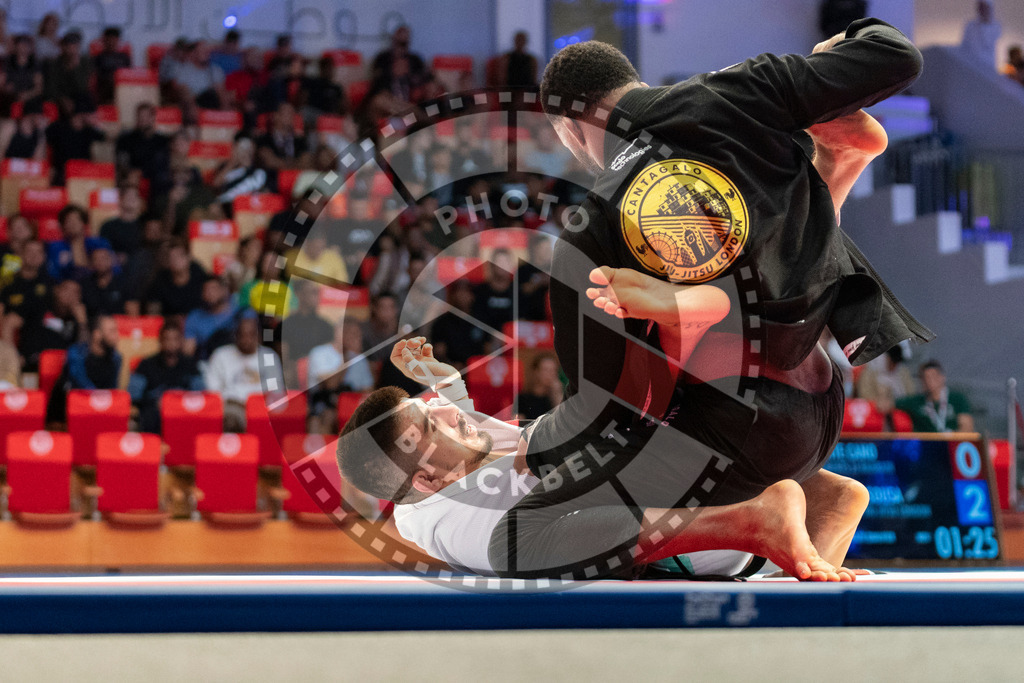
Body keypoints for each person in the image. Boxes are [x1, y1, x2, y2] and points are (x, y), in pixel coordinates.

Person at [343, 21, 932, 580]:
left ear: (569, 128)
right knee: (758, 246)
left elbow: (609, 414)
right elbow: (899, 56)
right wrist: (840, 44)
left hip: (764, 428)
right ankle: (819, 185)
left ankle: (703, 335)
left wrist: (538, 456)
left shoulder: (591, 226)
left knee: (578, 469)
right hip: (819, 353)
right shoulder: (737, 88)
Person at [338, 335, 865, 581]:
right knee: (520, 541)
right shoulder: (442, 522)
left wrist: (445, 388)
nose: (447, 414)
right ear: (429, 480)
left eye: (432, 408)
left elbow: (483, 430)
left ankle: (781, 538)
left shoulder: (455, 469)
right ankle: (758, 524)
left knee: (834, 492)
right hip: (702, 525)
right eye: (432, 422)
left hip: (715, 460)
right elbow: (531, 552)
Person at [203, 314, 280, 431]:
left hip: (262, 408)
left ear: (258, 336)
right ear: (235, 335)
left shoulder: (269, 356)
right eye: (242, 335)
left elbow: (277, 390)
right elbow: (213, 391)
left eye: (251, 335)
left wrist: (255, 405)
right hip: (231, 406)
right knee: (231, 419)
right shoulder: (221, 355)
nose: (246, 340)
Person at [129, 322, 203, 433]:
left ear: (181, 341)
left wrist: (177, 402)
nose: (171, 343)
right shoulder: (146, 364)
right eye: (167, 339)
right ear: (160, 341)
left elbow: (201, 394)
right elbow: (133, 395)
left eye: (175, 339)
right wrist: (155, 401)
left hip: (185, 411)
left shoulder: (190, 365)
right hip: (154, 413)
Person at [46, 314, 121, 423]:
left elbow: (113, 390)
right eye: (112, 331)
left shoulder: (116, 358)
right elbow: (81, 382)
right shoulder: (76, 353)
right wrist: (100, 401)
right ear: (97, 334)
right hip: (66, 416)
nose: (117, 336)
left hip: (98, 415)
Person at [307, 320, 375, 433]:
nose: (353, 337)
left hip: (351, 406)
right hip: (324, 404)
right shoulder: (319, 353)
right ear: (337, 332)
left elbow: (368, 391)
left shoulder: (360, 359)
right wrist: (347, 358)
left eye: (356, 334)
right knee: (328, 416)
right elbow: (330, 385)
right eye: (349, 333)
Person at [0, 239, 52, 370]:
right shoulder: (9, 284)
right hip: (15, 339)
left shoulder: (50, 283)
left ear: (43, 257)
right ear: (21, 255)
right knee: (9, 322)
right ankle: (13, 361)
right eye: (29, 251)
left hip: (41, 335)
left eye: (38, 252)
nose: (34, 256)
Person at [896, 360, 975, 433]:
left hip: (952, 443)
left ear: (942, 377)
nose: (930, 381)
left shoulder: (957, 399)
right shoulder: (916, 402)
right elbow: (891, 404)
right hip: (926, 445)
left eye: (933, 377)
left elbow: (967, 427)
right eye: (926, 378)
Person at [143, 239, 207, 317]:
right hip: (170, 325)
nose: (176, 260)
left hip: (200, 324)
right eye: (171, 257)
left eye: (179, 256)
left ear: (188, 257)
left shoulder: (200, 275)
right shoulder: (160, 280)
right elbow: (153, 310)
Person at [183, 276, 239, 361]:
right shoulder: (195, 317)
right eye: (206, 290)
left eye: (214, 289)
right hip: (207, 363)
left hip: (239, 360)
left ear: (224, 290)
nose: (210, 293)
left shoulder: (241, 312)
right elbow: (188, 352)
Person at [115, 103, 170, 186]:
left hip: (156, 180)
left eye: (146, 116)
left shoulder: (163, 141)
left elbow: (164, 164)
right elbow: (122, 162)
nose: (143, 119)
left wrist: (143, 172)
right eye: (140, 116)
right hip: (132, 180)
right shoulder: (125, 140)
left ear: (153, 117)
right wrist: (129, 172)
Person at [79, 241, 127, 316]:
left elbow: (131, 311)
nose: (100, 262)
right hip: (93, 325)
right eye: (96, 259)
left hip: (118, 324)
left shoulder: (123, 283)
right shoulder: (86, 285)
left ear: (111, 260)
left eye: (103, 258)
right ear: (91, 263)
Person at [99, 184, 146, 261]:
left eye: (135, 196)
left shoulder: (144, 227)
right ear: (120, 199)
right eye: (128, 195)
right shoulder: (108, 227)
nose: (132, 199)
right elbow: (102, 253)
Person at [515, 353, 563, 420]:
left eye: (554, 370)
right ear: (536, 372)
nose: (551, 374)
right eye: (546, 370)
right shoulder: (523, 399)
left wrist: (557, 393)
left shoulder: (554, 397)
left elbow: (563, 420)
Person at [92, 27, 131, 104]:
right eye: (109, 39)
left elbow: (129, 74)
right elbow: (97, 75)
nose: (111, 42)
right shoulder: (98, 58)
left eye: (114, 39)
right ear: (104, 41)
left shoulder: (124, 57)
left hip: (123, 87)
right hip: (106, 88)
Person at [961, 0, 1001, 71]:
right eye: (980, 7)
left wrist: (986, 22)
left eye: (984, 7)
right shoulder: (970, 25)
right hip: (971, 66)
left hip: (988, 66)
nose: (981, 10)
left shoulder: (995, 26)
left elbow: (988, 42)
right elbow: (964, 45)